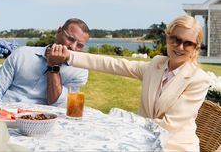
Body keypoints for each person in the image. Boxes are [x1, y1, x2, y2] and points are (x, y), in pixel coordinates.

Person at [47, 15, 210, 151]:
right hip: (141, 141)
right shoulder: (157, 64)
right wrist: (69, 55)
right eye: (176, 39)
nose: (180, 47)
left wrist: (122, 120)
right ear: (168, 37)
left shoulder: (197, 80)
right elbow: (114, 65)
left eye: (188, 43)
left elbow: (169, 126)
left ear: (195, 48)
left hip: (174, 147)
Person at [0, 18, 90, 107]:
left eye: (80, 45)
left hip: (42, 121)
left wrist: (54, 66)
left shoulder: (80, 70)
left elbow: (59, 104)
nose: (73, 47)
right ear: (59, 31)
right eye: (70, 39)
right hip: (5, 113)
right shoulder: (22, 53)